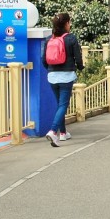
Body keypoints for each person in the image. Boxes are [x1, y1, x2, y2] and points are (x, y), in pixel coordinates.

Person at [42, 13, 84, 147]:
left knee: (59, 104)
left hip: (52, 76)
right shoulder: (71, 38)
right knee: (63, 105)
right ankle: (54, 131)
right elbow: (78, 58)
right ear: (66, 24)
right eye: (69, 22)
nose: (70, 25)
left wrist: (50, 69)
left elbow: (44, 60)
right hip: (66, 76)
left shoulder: (49, 39)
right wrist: (80, 67)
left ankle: (63, 133)